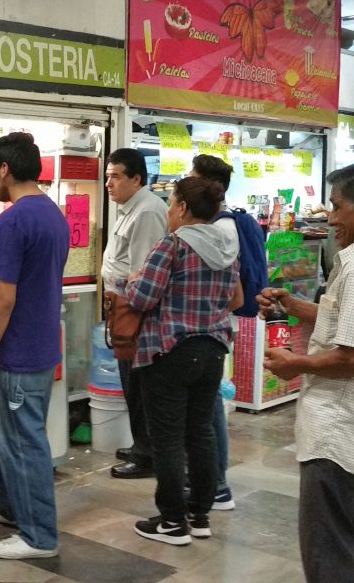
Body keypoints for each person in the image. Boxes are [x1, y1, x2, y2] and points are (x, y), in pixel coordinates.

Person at [127, 176, 242, 545]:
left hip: (170, 350)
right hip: (213, 349)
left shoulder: (172, 245)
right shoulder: (226, 248)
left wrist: (132, 280)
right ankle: (200, 515)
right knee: (200, 434)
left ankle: (173, 522)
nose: (169, 210)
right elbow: (233, 299)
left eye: (172, 203)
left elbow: (143, 298)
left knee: (168, 440)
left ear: (184, 208)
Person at [256, 164, 354, 582]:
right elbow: (341, 322)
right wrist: (294, 305)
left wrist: (296, 364)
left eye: (337, 207)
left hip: (335, 438)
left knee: (328, 552)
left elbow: (350, 357)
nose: (330, 219)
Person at [0, 132, 69, 560]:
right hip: (44, 342)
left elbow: (4, 296)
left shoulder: (13, 220)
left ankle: (39, 536)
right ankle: (12, 509)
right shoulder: (53, 213)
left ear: (5, 169)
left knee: (23, 442)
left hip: (19, 348)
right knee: (21, 436)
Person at [102, 148, 168, 478]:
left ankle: (147, 454)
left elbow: (144, 273)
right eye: (107, 176)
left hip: (136, 311)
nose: (108, 184)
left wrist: (122, 293)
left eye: (115, 176)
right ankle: (141, 443)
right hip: (121, 306)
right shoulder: (129, 208)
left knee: (139, 383)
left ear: (136, 179)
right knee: (130, 382)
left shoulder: (147, 212)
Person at [188, 154, 238, 510]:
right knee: (209, 411)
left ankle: (215, 485)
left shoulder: (216, 231)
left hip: (202, 336)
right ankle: (214, 483)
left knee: (207, 415)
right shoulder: (222, 226)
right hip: (212, 334)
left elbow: (232, 295)